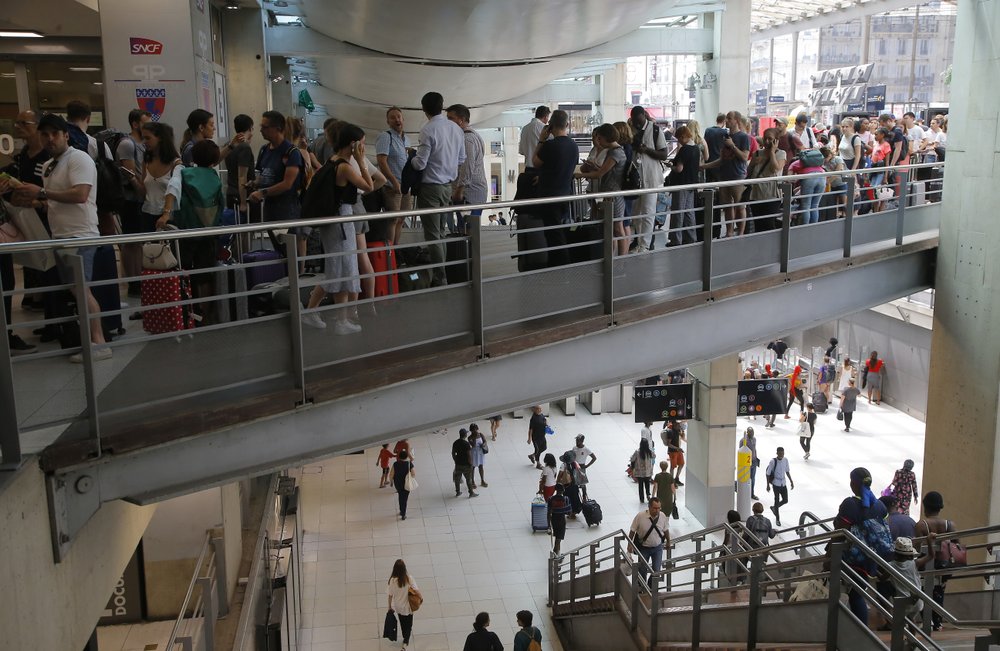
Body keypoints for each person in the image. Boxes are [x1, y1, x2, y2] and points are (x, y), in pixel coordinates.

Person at [5, 113, 111, 362]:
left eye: (55, 133)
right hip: (62, 236)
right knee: (77, 290)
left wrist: (41, 192)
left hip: (80, 235)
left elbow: (80, 194)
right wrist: (32, 199)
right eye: (45, 134)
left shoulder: (79, 158)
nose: (50, 138)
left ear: (66, 135)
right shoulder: (52, 164)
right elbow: (56, 201)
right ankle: (92, 340)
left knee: (82, 290)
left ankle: (99, 342)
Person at [301, 123, 371, 334]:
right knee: (341, 269)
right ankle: (334, 318)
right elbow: (368, 186)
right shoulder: (345, 167)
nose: (363, 148)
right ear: (354, 144)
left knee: (340, 269)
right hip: (341, 222)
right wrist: (361, 161)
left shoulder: (332, 161)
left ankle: (328, 315)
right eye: (362, 144)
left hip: (336, 222)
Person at [1, 109, 48, 353]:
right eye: (16, 122)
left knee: (47, 270)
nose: (17, 127)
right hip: (21, 223)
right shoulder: (21, 159)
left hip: (41, 222)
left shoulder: (45, 157)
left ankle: (54, 322)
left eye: (23, 123)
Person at [410, 91, 466, 287]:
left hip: (430, 188)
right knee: (441, 232)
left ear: (424, 109)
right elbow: (461, 159)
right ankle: (443, 273)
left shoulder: (427, 130)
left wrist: (412, 156)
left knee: (433, 235)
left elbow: (420, 164)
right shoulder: (456, 129)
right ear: (442, 106)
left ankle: (440, 276)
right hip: (447, 188)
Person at [834, 467, 892, 625]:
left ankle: (862, 633)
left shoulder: (850, 504)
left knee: (855, 594)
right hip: (872, 559)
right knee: (857, 592)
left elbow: (840, 532)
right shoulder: (880, 505)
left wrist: (829, 555)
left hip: (854, 559)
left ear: (853, 483)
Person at [173, 140, 226, 312]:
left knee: (186, 270)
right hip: (209, 233)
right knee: (205, 272)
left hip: (187, 230)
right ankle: (206, 312)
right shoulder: (214, 177)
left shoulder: (184, 173)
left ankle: (188, 311)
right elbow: (221, 204)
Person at [531, 109, 579, 267]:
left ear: (550, 126)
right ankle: (558, 262)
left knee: (553, 233)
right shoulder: (573, 146)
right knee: (558, 230)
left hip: (549, 195)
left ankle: (560, 264)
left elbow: (535, 162)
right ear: (567, 124)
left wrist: (541, 141)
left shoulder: (550, 145)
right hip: (565, 193)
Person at [574, 123, 627, 254]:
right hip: (610, 193)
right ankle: (615, 259)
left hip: (613, 194)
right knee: (612, 228)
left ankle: (622, 260)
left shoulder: (615, 152)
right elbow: (605, 171)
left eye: (600, 138)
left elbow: (599, 174)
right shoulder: (615, 151)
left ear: (606, 137)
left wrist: (581, 175)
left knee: (618, 229)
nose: (598, 142)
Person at [116, 109, 152, 297]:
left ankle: (140, 280)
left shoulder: (143, 144)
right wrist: (141, 189)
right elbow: (130, 173)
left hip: (141, 198)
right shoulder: (127, 144)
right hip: (131, 200)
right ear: (135, 124)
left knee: (139, 242)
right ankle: (134, 282)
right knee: (131, 242)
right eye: (145, 123)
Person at [702, 111, 751, 237]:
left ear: (736, 121)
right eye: (727, 118)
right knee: (727, 206)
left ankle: (740, 233)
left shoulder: (743, 137)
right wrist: (703, 166)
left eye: (730, 118)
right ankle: (729, 231)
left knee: (740, 206)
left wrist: (733, 146)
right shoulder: (725, 136)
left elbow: (745, 157)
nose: (727, 120)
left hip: (737, 176)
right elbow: (722, 159)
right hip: (725, 176)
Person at [628, 106, 669, 251]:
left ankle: (644, 245)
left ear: (644, 116)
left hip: (651, 177)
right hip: (635, 178)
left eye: (639, 121)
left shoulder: (656, 130)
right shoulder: (630, 129)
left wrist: (646, 150)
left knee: (648, 211)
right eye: (634, 122)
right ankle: (639, 241)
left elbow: (664, 155)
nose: (637, 125)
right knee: (636, 213)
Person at [914, 491, 956, 630]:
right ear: (940, 507)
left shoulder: (921, 525)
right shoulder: (950, 525)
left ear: (925, 506)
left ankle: (928, 620)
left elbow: (917, 548)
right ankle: (937, 622)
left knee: (923, 590)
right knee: (939, 591)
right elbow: (956, 545)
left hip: (926, 566)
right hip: (944, 565)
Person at [446, 104, 489, 234]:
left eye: (450, 118)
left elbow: (467, 166)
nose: (447, 122)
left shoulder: (466, 139)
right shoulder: (474, 135)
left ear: (461, 120)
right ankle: (469, 253)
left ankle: (469, 254)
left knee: (467, 230)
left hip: (469, 193)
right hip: (473, 191)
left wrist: (459, 189)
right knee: (466, 229)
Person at [375, 107, 412, 245]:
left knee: (401, 219)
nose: (397, 119)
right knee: (393, 220)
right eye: (392, 117)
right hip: (392, 187)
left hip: (406, 187)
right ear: (388, 121)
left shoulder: (407, 139)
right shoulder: (386, 136)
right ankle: (389, 253)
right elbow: (381, 161)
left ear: (403, 119)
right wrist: (394, 181)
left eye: (399, 117)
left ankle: (395, 250)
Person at [745, 128, 786, 233]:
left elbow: (775, 169)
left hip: (771, 194)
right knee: (758, 224)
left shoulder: (781, 154)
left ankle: (771, 247)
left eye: (770, 139)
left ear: (776, 140)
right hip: (756, 193)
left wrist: (772, 152)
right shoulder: (757, 153)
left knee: (768, 223)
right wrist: (753, 163)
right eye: (765, 138)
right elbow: (749, 172)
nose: (767, 141)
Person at [666, 125, 701, 244]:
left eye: (679, 138)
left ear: (683, 136)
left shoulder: (685, 149)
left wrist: (671, 166)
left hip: (681, 184)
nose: (678, 141)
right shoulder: (696, 148)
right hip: (692, 184)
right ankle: (691, 237)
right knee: (689, 212)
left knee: (678, 212)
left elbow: (679, 169)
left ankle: (676, 239)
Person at [629, 497, 670, 581]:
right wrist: (630, 544)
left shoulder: (662, 516)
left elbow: (666, 530)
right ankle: (642, 589)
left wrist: (668, 541)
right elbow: (632, 530)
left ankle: (651, 589)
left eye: (659, 508)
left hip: (657, 548)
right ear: (649, 507)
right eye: (655, 508)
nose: (657, 510)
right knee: (642, 570)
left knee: (657, 571)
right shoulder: (640, 516)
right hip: (644, 548)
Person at [386, 559, 420, 650]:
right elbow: (416, 590)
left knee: (402, 622)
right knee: (409, 624)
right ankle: (406, 641)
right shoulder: (409, 578)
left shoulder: (392, 581)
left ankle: (405, 635)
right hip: (408, 607)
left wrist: (389, 607)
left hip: (398, 607)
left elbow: (390, 595)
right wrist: (421, 598)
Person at [224, 114, 255, 213]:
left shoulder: (229, 145)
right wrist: (243, 202)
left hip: (231, 192)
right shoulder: (244, 147)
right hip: (241, 195)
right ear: (250, 128)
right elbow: (242, 176)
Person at [765, 447, 793, 526]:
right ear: (777, 453)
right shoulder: (773, 461)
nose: (781, 455)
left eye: (783, 453)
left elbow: (787, 471)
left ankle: (774, 508)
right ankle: (777, 519)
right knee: (776, 500)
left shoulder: (785, 460)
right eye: (780, 453)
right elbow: (768, 473)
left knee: (785, 500)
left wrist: (791, 481)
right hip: (776, 484)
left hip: (783, 483)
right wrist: (767, 485)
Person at [547, 482, 572, 556]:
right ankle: (556, 554)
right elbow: (569, 513)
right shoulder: (566, 499)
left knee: (557, 537)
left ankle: (557, 552)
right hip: (561, 520)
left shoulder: (551, 499)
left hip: (553, 520)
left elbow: (548, 513)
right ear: (563, 490)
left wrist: (548, 525)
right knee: (559, 538)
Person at [452, 428, 478, 498]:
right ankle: (471, 493)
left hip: (458, 464)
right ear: (465, 435)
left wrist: (456, 461)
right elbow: (469, 455)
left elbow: (453, 453)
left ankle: (458, 492)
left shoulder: (455, 442)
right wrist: (471, 464)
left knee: (457, 479)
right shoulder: (466, 444)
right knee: (468, 479)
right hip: (466, 465)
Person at [390, 449, 415, 519]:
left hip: (398, 484)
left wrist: (391, 481)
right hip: (407, 484)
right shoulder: (409, 464)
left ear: (399, 457)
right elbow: (413, 474)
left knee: (401, 496)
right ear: (407, 457)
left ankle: (401, 510)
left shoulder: (395, 464)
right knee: (404, 499)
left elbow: (391, 474)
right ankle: (403, 514)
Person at [630, 438, 656, 503]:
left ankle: (642, 498)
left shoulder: (637, 452)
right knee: (647, 484)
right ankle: (648, 495)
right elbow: (654, 456)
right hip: (647, 472)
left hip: (639, 472)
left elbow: (632, 459)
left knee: (640, 486)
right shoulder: (649, 452)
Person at [661, 419, 686, 486]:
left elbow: (683, 437)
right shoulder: (670, 432)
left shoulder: (677, 430)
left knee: (681, 464)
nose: (679, 425)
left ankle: (676, 478)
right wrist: (677, 448)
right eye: (678, 424)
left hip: (678, 450)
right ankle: (671, 481)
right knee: (673, 466)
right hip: (672, 452)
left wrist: (682, 431)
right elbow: (669, 444)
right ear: (674, 424)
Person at [572, 434, 597, 500]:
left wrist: (587, 466)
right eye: (576, 440)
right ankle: (575, 495)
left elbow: (594, 458)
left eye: (578, 441)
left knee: (582, 483)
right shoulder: (574, 448)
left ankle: (584, 496)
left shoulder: (586, 449)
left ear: (582, 441)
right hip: (574, 466)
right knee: (574, 482)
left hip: (581, 467)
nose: (576, 442)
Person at [741, 427, 760, 499]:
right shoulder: (743, 441)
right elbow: (741, 451)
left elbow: (754, 449)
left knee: (753, 478)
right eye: (751, 433)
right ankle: (745, 493)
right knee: (746, 479)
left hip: (754, 461)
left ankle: (752, 493)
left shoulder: (754, 439)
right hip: (747, 463)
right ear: (747, 433)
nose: (752, 434)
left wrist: (756, 457)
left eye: (753, 433)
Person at [527, 405, 547, 470]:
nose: (540, 410)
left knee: (544, 447)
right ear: (534, 409)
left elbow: (545, 420)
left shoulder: (541, 415)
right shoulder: (533, 418)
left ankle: (532, 455)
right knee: (537, 450)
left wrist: (546, 425)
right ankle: (538, 464)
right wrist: (529, 438)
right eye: (538, 409)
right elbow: (530, 429)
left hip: (542, 436)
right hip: (536, 438)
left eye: (540, 408)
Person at [469, 422, 489, 488]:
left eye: (476, 429)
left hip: (480, 453)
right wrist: (474, 438)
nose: (475, 431)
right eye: (473, 430)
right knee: (473, 467)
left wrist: (483, 444)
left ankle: (482, 480)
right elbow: (473, 445)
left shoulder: (481, 434)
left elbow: (485, 441)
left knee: (481, 466)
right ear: (471, 430)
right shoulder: (470, 437)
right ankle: (472, 482)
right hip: (474, 453)